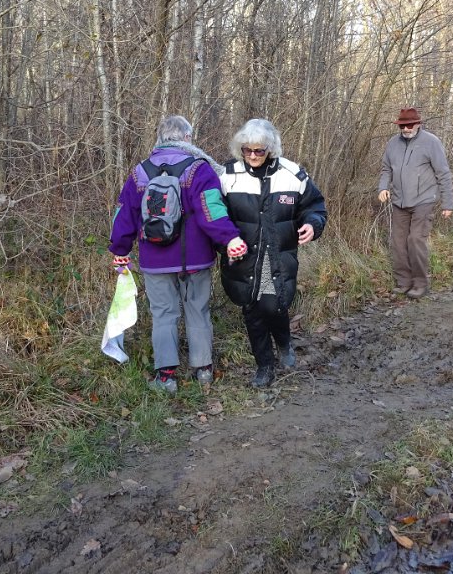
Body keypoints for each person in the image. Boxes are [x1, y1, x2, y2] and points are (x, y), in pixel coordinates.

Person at [109, 115, 247, 393]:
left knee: (163, 315)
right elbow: (212, 210)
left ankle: (166, 377)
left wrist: (119, 250)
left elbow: (124, 214)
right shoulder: (199, 169)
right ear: (187, 138)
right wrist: (230, 238)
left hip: (154, 260)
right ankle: (203, 370)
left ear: (160, 138)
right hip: (195, 258)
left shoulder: (140, 172)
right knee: (198, 310)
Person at [219, 119, 327, 388]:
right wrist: (226, 241)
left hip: (278, 256)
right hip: (243, 259)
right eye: (247, 150)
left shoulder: (292, 174)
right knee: (252, 310)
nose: (253, 155)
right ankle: (264, 366)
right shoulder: (227, 176)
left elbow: (315, 207)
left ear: (271, 149)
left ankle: (284, 341)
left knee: (273, 305)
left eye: (259, 150)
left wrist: (313, 224)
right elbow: (215, 216)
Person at [377, 107, 453, 299]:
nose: (406, 129)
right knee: (398, 242)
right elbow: (386, 169)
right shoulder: (392, 144)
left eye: (410, 125)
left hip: (423, 200)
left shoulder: (431, 142)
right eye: (402, 126)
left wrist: (448, 203)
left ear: (418, 124)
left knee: (415, 240)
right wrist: (383, 187)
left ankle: (420, 283)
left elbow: (443, 173)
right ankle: (404, 282)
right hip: (399, 201)